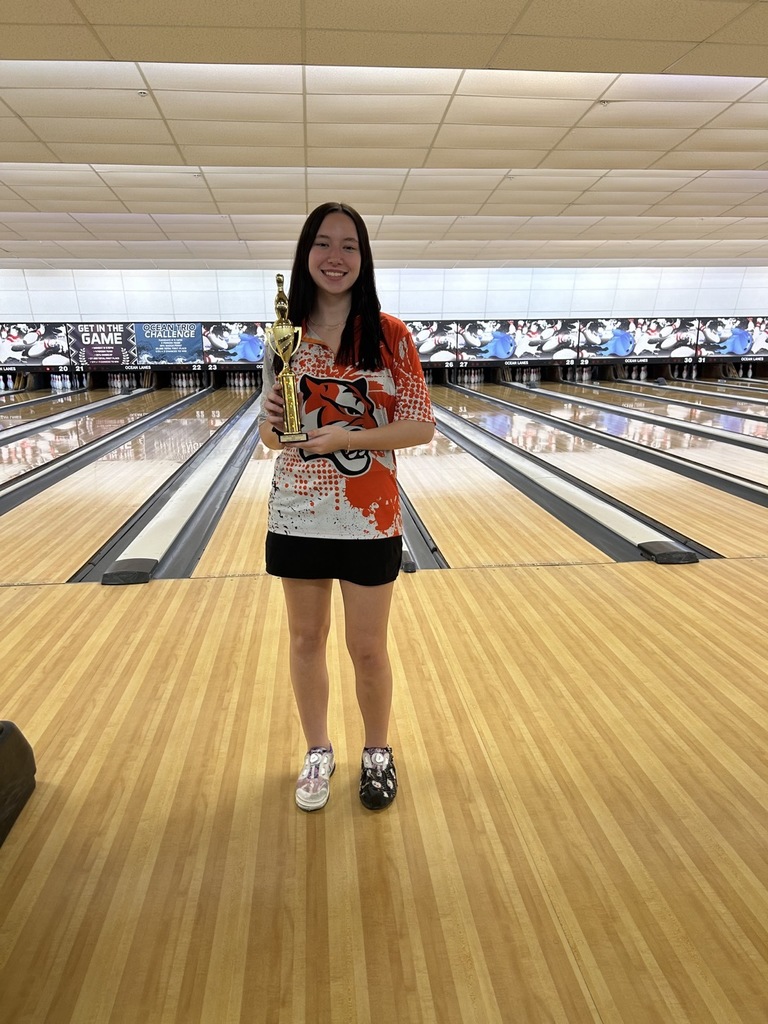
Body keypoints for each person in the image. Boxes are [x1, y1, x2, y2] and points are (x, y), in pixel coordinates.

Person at [258, 202, 435, 813]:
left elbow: (420, 428)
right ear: (306, 255)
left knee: (367, 647)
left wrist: (349, 439)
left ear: (363, 257)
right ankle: (317, 752)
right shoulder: (284, 335)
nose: (336, 258)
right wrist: (271, 423)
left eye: (349, 246)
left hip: (370, 513)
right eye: (324, 244)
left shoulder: (390, 335)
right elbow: (272, 436)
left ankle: (377, 753)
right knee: (306, 640)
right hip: (298, 510)